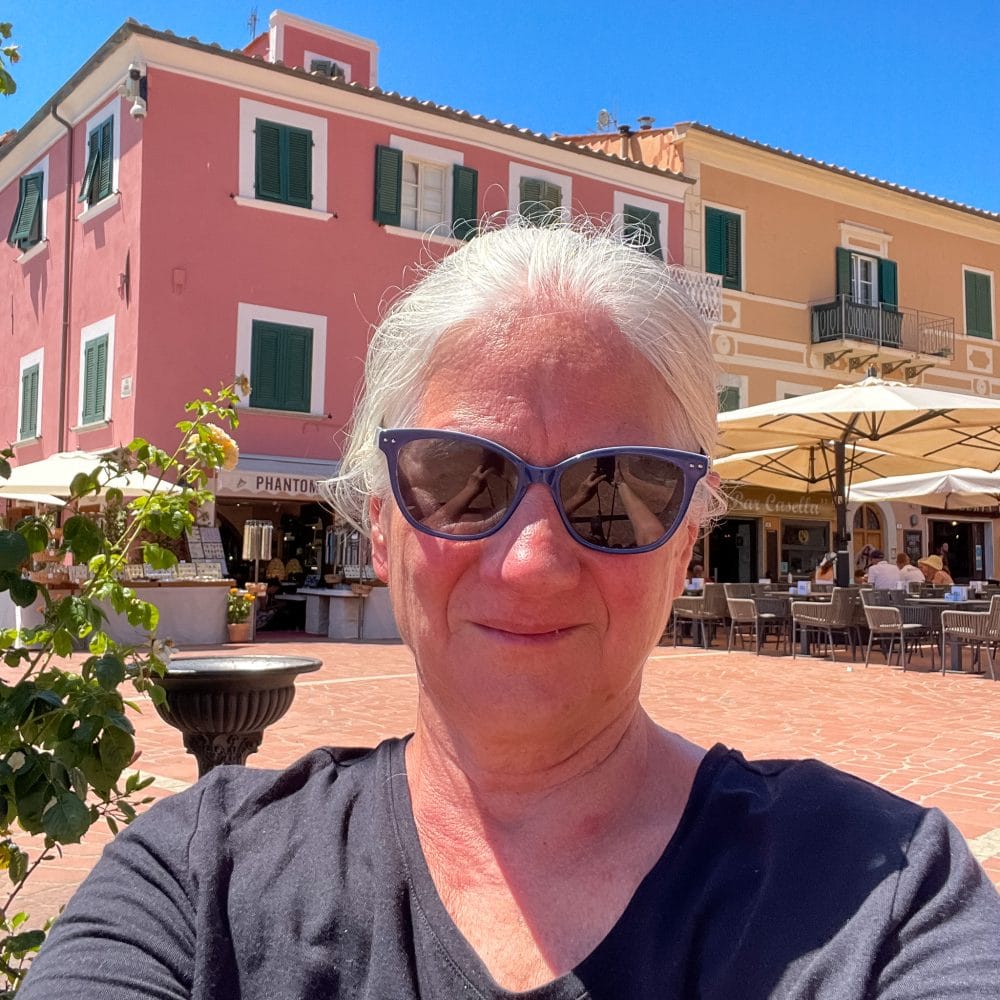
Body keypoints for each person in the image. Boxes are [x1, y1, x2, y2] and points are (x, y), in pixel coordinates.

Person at [20, 222, 999, 998]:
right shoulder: (196, 886)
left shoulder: (882, 894)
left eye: (619, 487)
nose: (532, 562)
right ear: (381, 527)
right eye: (460, 479)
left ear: (686, 547)